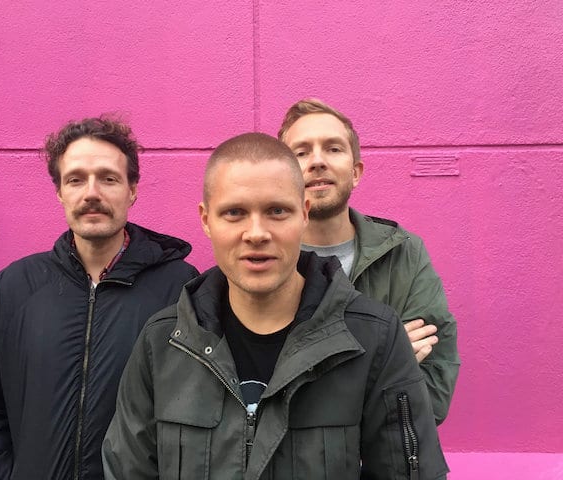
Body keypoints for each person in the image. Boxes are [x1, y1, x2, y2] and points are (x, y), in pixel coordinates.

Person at [102, 132, 448, 479]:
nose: (256, 233)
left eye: (277, 211)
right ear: (206, 220)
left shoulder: (373, 339)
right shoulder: (163, 343)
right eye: (234, 212)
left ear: (304, 214)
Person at [0, 116, 198, 480]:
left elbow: (197, 409)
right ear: (60, 192)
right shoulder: (16, 286)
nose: (91, 193)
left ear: (132, 190)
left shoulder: (178, 288)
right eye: (76, 179)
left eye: (108, 178)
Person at [278, 98, 460, 424]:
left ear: (356, 172)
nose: (317, 161)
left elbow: (433, 396)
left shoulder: (403, 253)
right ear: (282, 175)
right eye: (301, 152)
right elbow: (262, 394)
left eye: (333, 148)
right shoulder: (263, 258)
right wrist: (385, 359)